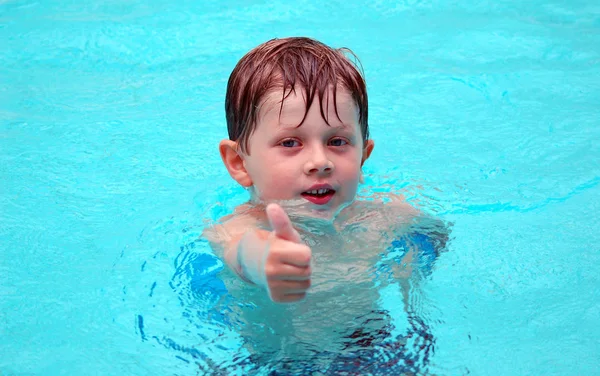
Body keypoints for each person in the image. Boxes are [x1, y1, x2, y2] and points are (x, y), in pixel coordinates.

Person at [203, 36, 447, 373]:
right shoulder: (244, 228)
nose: (320, 161)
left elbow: (433, 232)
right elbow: (242, 251)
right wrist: (266, 260)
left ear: (363, 156)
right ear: (239, 163)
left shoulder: (379, 216)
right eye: (290, 142)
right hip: (278, 361)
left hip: (372, 345)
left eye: (337, 141)